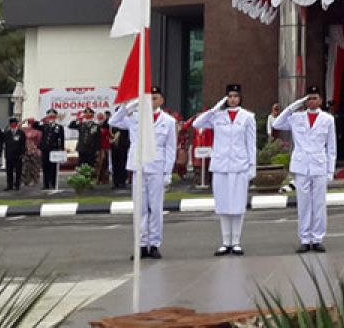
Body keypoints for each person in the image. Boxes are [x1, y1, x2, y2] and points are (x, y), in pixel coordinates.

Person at [110, 87, 178, 260]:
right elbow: (113, 121)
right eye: (148, 98)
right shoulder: (135, 117)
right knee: (139, 209)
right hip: (139, 167)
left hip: (157, 167)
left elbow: (170, 148)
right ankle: (141, 245)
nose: (151, 101)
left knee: (155, 208)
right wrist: (130, 106)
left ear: (161, 100)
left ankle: (154, 244)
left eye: (155, 98)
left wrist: (167, 172)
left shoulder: (168, 121)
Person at [193, 83, 257, 257]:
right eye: (229, 96)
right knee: (223, 205)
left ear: (240, 98)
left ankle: (236, 241)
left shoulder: (247, 117)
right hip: (221, 165)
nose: (232, 99)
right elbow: (197, 123)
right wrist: (214, 109)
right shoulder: (217, 117)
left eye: (235, 96)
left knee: (237, 205)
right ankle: (225, 241)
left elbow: (251, 144)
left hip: (239, 165)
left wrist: (252, 166)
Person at [272, 84, 336, 253]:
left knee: (319, 204)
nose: (312, 101)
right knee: (303, 203)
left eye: (315, 98)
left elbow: (331, 147)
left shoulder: (328, 119)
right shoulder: (296, 117)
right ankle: (304, 238)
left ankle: (317, 238)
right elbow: (277, 124)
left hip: (319, 164)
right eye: (309, 98)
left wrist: (330, 170)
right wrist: (295, 104)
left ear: (321, 100)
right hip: (301, 165)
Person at [39, 109, 65, 190]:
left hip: (54, 149)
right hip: (45, 149)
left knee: (53, 167)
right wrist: (43, 119)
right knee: (45, 167)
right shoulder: (44, 126)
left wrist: (61, 149)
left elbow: (62, 139)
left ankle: (53, 184)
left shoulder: (59, 127)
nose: (51, 118)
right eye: (50, 116)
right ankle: (46, 184)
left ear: (55, 117)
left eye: (53, 116)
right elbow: (35, 125)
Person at [3, 117, 27, 191]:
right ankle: (9, 185)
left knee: (18, 171)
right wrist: (5, 154)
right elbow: (5, 144)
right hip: (9, 155)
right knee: (9, 171)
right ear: (10, 124)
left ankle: (17, 185)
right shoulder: (7, 133)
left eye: (15, 123)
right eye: (12, 123)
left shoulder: (21, 133)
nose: (13, 124)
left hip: (18, 155)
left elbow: (23, 144)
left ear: (17, 124)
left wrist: (22, 153)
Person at [110, 118, 131, 190]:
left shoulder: (126, 125)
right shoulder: (113, 125)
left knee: (123, 165)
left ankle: (122, 182)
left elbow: (128, 137)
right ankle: (115, 182)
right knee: (115, 166)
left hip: (123, 148)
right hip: (115, 148)